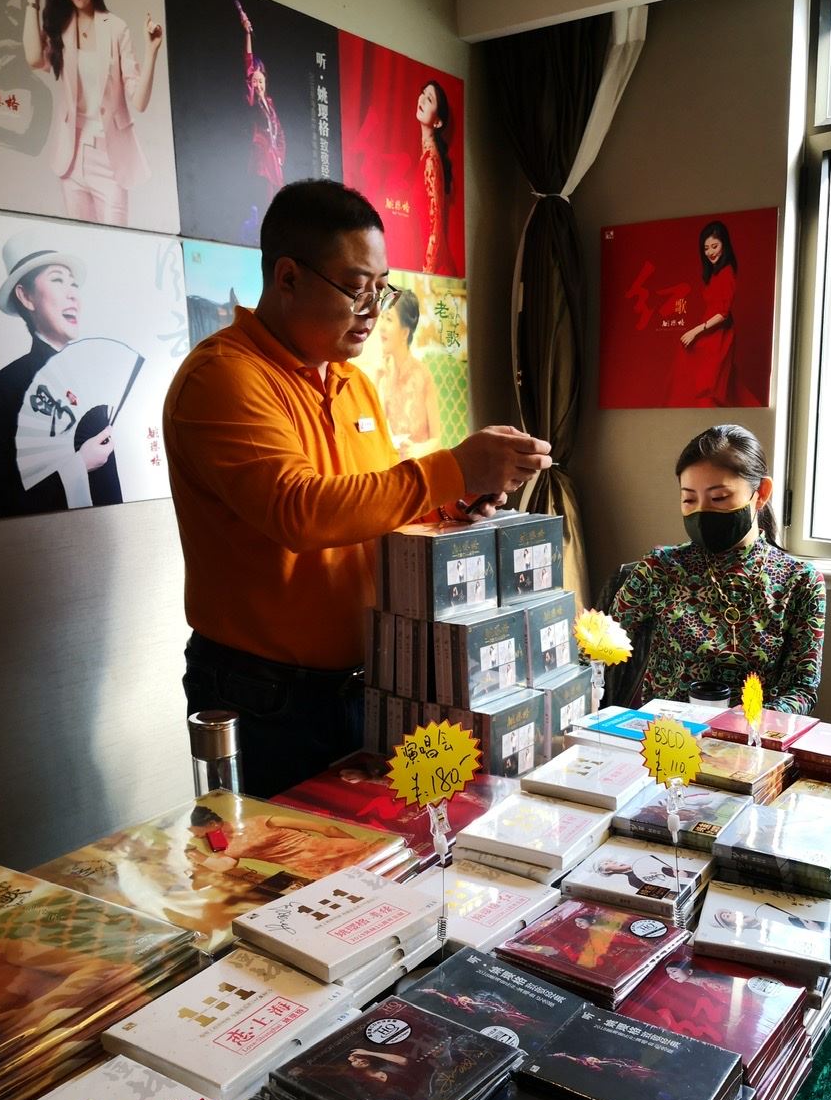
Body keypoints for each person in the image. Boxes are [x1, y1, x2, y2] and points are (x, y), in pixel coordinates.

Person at [163, 179, 551, 799]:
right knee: (283, 855)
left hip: (367, 679)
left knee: (379, 848)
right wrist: (453, 468)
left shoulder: (352, 383)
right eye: (356, 287)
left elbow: (368, 503)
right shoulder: (224, 378)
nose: (374, 308)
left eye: (382, 287)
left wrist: (453, 502)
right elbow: (300, 511)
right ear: (288, 278)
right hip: (265, 695)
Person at [610, 424, 825, 713]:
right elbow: (599, 644)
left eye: (720, 498)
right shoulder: (661, 568)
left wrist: (746, 725)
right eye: (689, 499)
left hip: (753, 734)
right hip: (668, 733)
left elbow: (802, 689)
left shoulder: (800, 580)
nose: (702, 512)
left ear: (761, 492)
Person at [0, 229, 119, 518]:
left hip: (108, 529)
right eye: (58, 280)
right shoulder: (10, 383)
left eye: (73, 283)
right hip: (49, 538)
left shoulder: (93, 374)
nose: (72, 293)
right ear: (25, 296)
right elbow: (2, 495)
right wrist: (78, 466)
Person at [23, 0, 162, 226]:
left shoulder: (116, 28)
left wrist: (151, 53)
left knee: (114, 240)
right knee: (80, 240)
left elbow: (139, 102)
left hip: (110, 160)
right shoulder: (61, 27)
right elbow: (34, 58)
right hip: (72, 158)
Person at [667, 220, 759, 408]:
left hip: (719, 336)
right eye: (706, 248)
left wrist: (695, 331)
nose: (710, 252)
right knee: (722, 387)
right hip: (709, 334)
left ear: (724, 245)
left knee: (708, 387)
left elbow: (722, 314)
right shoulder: (716, 274)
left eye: (715, 246)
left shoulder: (727, 273)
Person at [374, 289, 441, 458]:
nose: (381, 326)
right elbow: (376, 428)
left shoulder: (423, 375)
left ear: (405, 332)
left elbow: (437, 439)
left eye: (389, 319)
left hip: (422, 464)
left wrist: (418, 450)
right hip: (395, 464)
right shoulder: (384, 373)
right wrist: (376, 379)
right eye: (382, 317)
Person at [236, 0, 286, 212]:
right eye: (255, 81)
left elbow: (280, 132)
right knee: (264, 205)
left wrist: (280, 156)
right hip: (261, 163)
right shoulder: (253, 101)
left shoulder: (270, 104)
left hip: (274, 163)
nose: (258, 84)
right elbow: (248, 65)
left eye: (261, 80)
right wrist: (247, 34)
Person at [416, 80, 456, 275]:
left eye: (429, 99)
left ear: (438, 122)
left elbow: (436, 226)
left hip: (434, 269)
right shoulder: (426, 154)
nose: (422, 99)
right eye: (423, 93)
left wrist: (427, 276)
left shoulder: (431, 159)